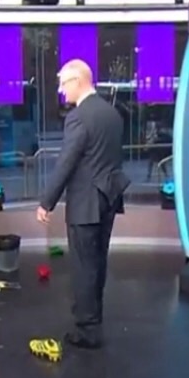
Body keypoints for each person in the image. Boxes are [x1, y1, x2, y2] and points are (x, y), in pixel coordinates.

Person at [37, 59, 130, 348]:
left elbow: (67, 161)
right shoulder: (112, 113)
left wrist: (46, 202)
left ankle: (87, 330)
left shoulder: (78, 117)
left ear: (78, 81)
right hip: (108, 197)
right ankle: (94, 318)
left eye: (63, 84)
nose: (61, 91)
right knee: (97, 262)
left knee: (83, 266)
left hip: (85, 203)